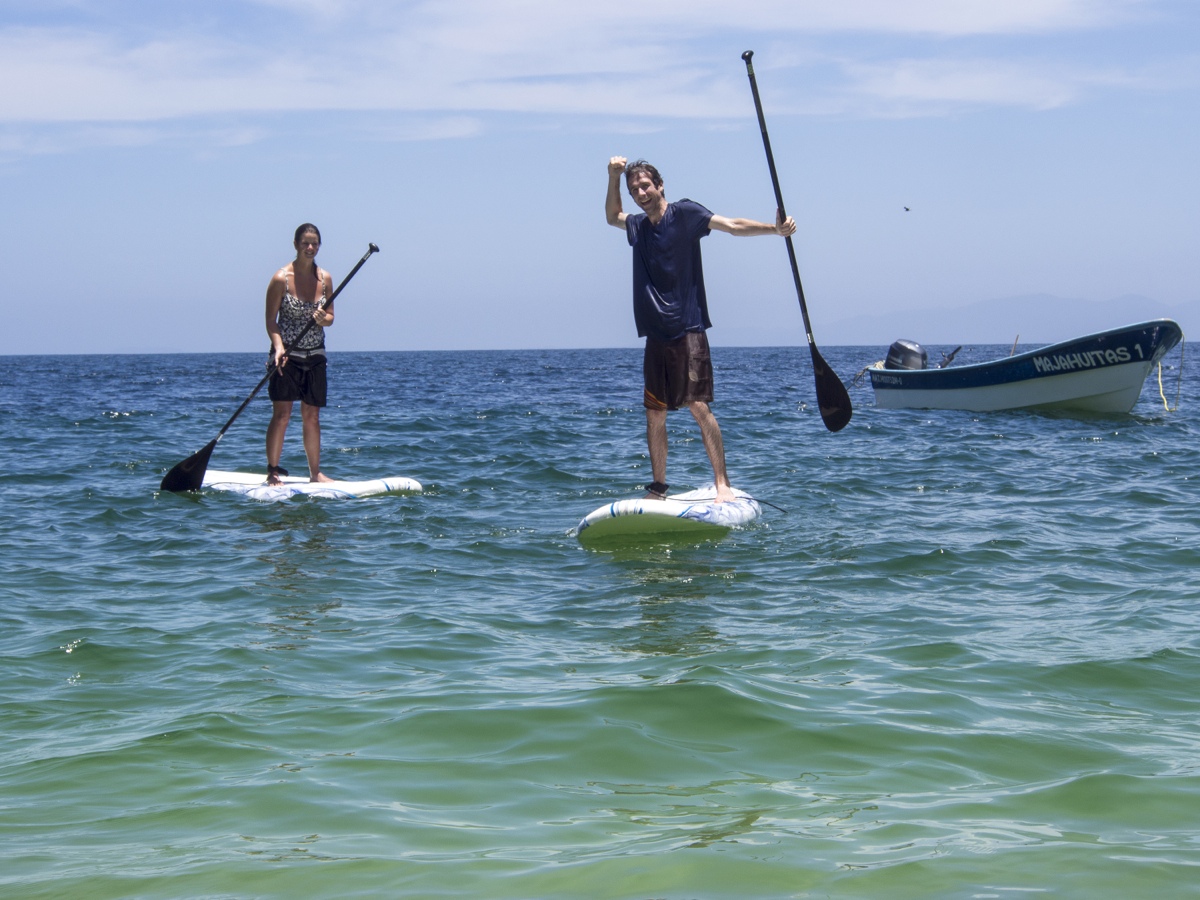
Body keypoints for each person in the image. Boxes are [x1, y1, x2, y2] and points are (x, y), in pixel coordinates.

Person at [605, 157, 796, 503]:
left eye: (645, 185)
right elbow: (611, 216)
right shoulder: (638, 226)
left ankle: (722, 482)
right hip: (655, 335)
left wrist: (774, 229)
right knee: (655, 412)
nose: (640, 193)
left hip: (689, 328)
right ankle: (659, 487)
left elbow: (733, 225)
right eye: (634, 190)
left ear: (660, 185)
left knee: (697, 404)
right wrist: (613, 177)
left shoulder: (685, 214)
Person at [264, 223, 336, 485]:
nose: (310, 247)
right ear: (295, 244)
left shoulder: (325, 278)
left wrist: (323, 318)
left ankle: (315, 473)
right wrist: (279, 347)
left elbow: (330, 318)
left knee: (312, 416)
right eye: (305, 242)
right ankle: (273, 470)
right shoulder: (280, 278)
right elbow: (270, 321)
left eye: (314, 243)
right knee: (282, 415)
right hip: (287, 356)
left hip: (316, 355)